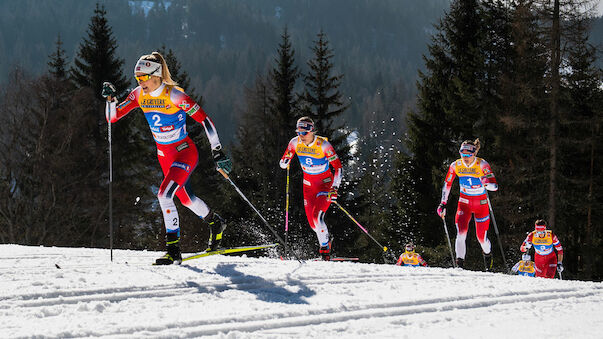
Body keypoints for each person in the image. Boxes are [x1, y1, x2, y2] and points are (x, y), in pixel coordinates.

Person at [102, 51, 232, 265]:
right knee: (186, 199)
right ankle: (215, 222)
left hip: (184, 152)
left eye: (143, 77)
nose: (139, 82)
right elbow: (112, 117)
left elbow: (205, 120)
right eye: (137, 78)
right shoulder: (138, 95)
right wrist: (110, 100)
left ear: (156, 76)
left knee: (164, 195)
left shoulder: (174, 95)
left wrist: (217, 150)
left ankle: (173, 250)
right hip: (165, 156)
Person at [279, 117, 343, 261]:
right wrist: (284, 162)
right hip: (308, 186)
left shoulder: (323, 145)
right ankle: (327, 239)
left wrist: (335, 188)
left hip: (325, 184)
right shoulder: (294, 143)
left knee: (318, 218)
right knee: (314, 225)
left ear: (312, 131)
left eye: (305, 133)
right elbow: (284, 162)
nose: (301, 136)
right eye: (299, 133)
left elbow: (338, 168)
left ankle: (325, 251)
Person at [436, 139, 498, 270]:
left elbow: (495, 186)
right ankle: (460, 265)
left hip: (481, 204)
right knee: (461, 233)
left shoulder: (482, 164)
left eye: (468, 155)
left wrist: (486, 182)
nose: (465, 158)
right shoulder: (455, 165)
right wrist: (443, 203)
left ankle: (487, 255)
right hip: (464, 203)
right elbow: (447, 185)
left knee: (481, 237)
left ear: (474, 154)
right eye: (462, 154)